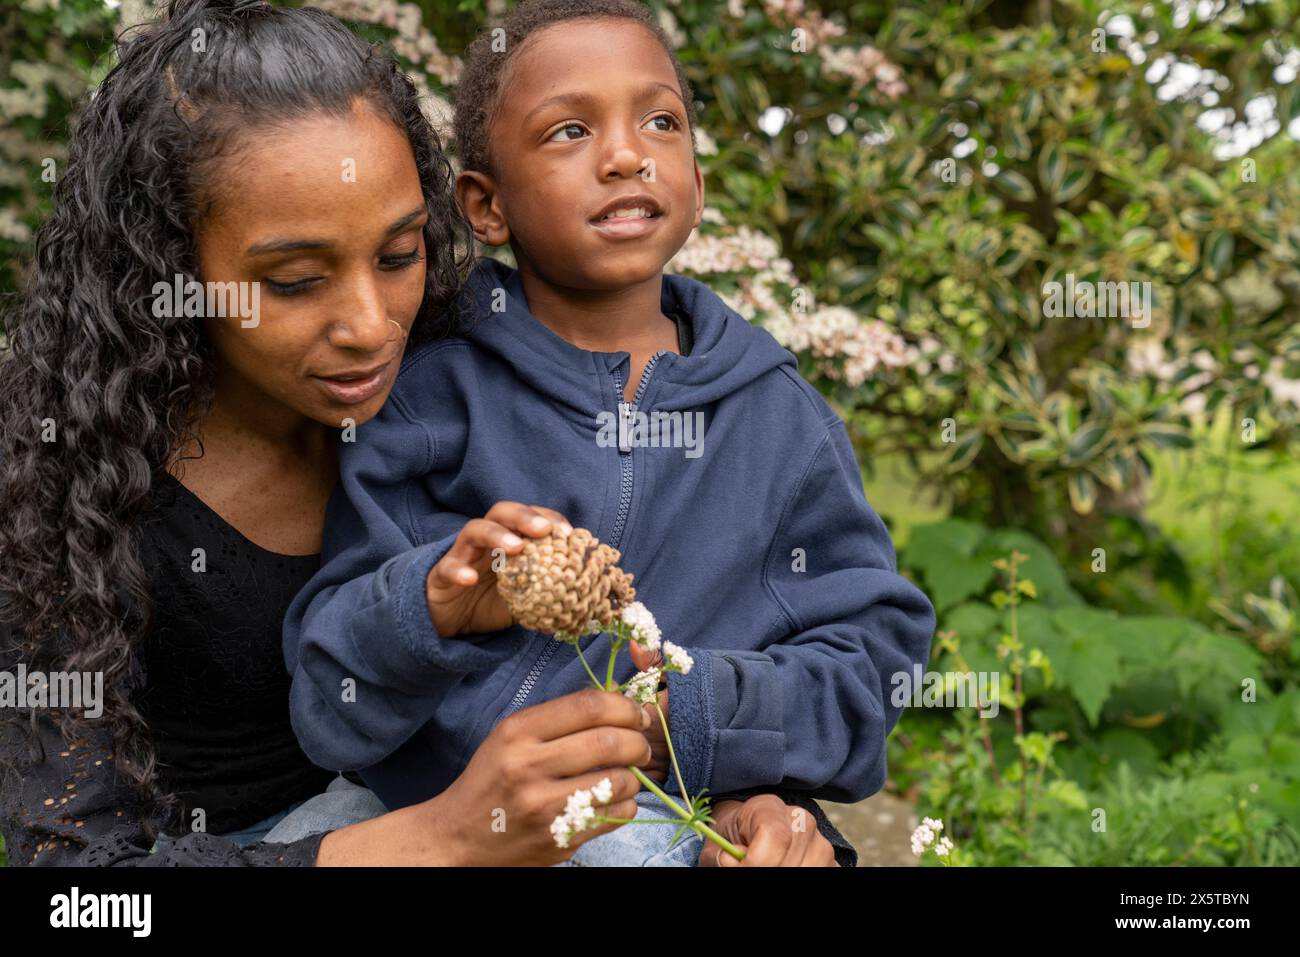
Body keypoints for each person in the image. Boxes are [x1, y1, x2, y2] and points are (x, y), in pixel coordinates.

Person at [0, 0, 841, 868]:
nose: (371, 326)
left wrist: (746, 803)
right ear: (167, 268)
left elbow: (694, 636)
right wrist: (442, 840)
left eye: (400, 255)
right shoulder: (60, 486)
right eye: (293, 280)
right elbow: (78, 887)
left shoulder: (479, 372)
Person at [282, 0, 932, 866]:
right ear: (486, 205)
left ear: (696, 183)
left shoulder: (782, 421)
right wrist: (430, 603)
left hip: (662, 818)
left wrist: (693, 720)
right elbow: (330, 697)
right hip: (432, 814)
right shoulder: (427, 395)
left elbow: (870, 660)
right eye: (570, 130)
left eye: (661, 120)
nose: (627, 154)